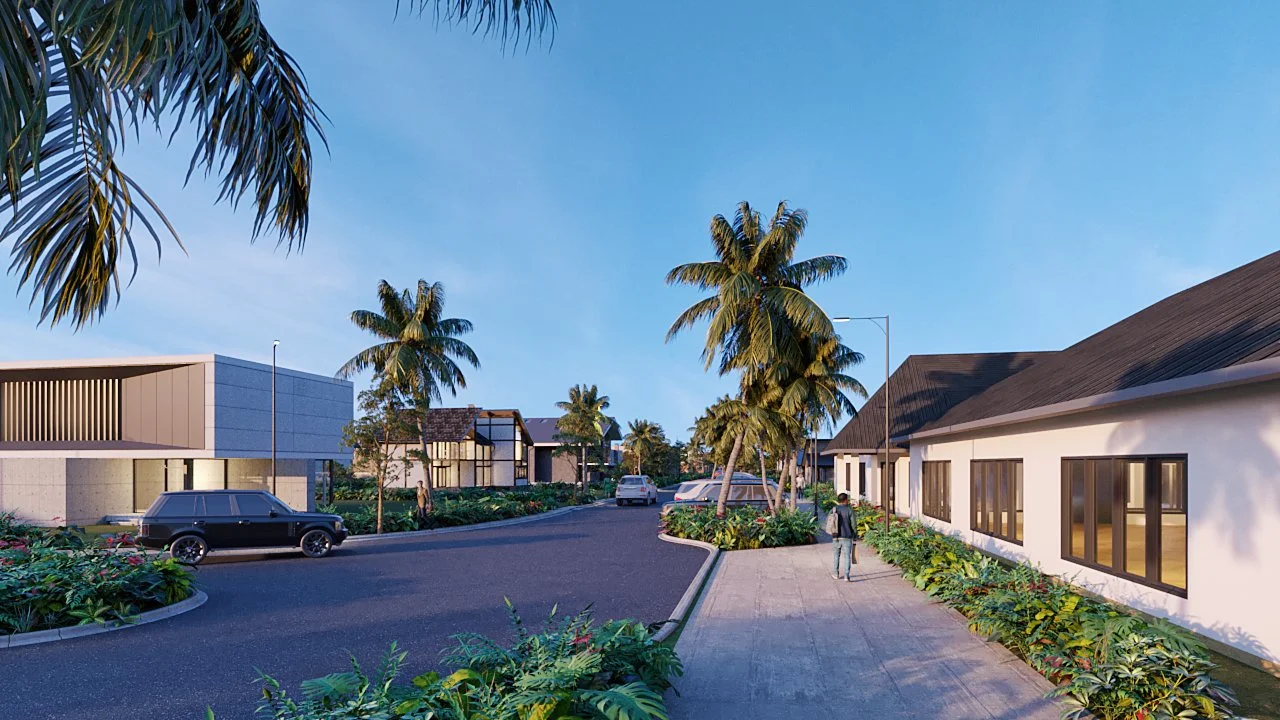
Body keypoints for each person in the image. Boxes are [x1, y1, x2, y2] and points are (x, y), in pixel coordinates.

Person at [830, 492, 857, 581]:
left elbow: (829, 522)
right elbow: (854, 525)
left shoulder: (834, 509)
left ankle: (836, 574)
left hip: (836, 536)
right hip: (847, 536)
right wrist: (855, 535)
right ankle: (846, 576)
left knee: (836, 555)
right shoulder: (850, 510)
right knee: (847, 557)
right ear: (846, 500)